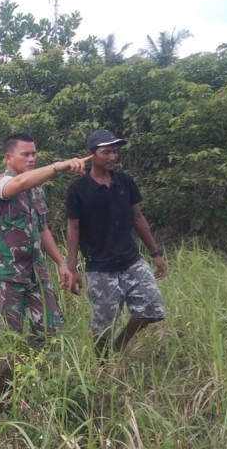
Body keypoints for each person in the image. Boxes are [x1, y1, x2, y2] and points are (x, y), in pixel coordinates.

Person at [65, 129, 167, 355]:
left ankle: (119, 347)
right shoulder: (78, 190)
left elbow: (137, 217)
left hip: (131, 261)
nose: (113, 157)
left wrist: (155, 253)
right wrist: (71, 268)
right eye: (106, 152)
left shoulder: (124, 182)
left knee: (151, 308)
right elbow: (73, 228)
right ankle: (100, 364)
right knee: (103, 327)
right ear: (90, 155)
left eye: (115, 152)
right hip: (100, 267)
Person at [0, 132, 89, 341]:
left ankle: (43, 372)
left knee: (51, 332)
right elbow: (20, 183)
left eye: (34, 154)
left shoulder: (37, 191)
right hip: (6, 272)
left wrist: (61, 264)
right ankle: (7, 373)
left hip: (36, 273)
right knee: (7, 337)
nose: (32, 159)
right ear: (8, 157)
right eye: (25, 154)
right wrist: (57, 166)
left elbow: (42, 229)